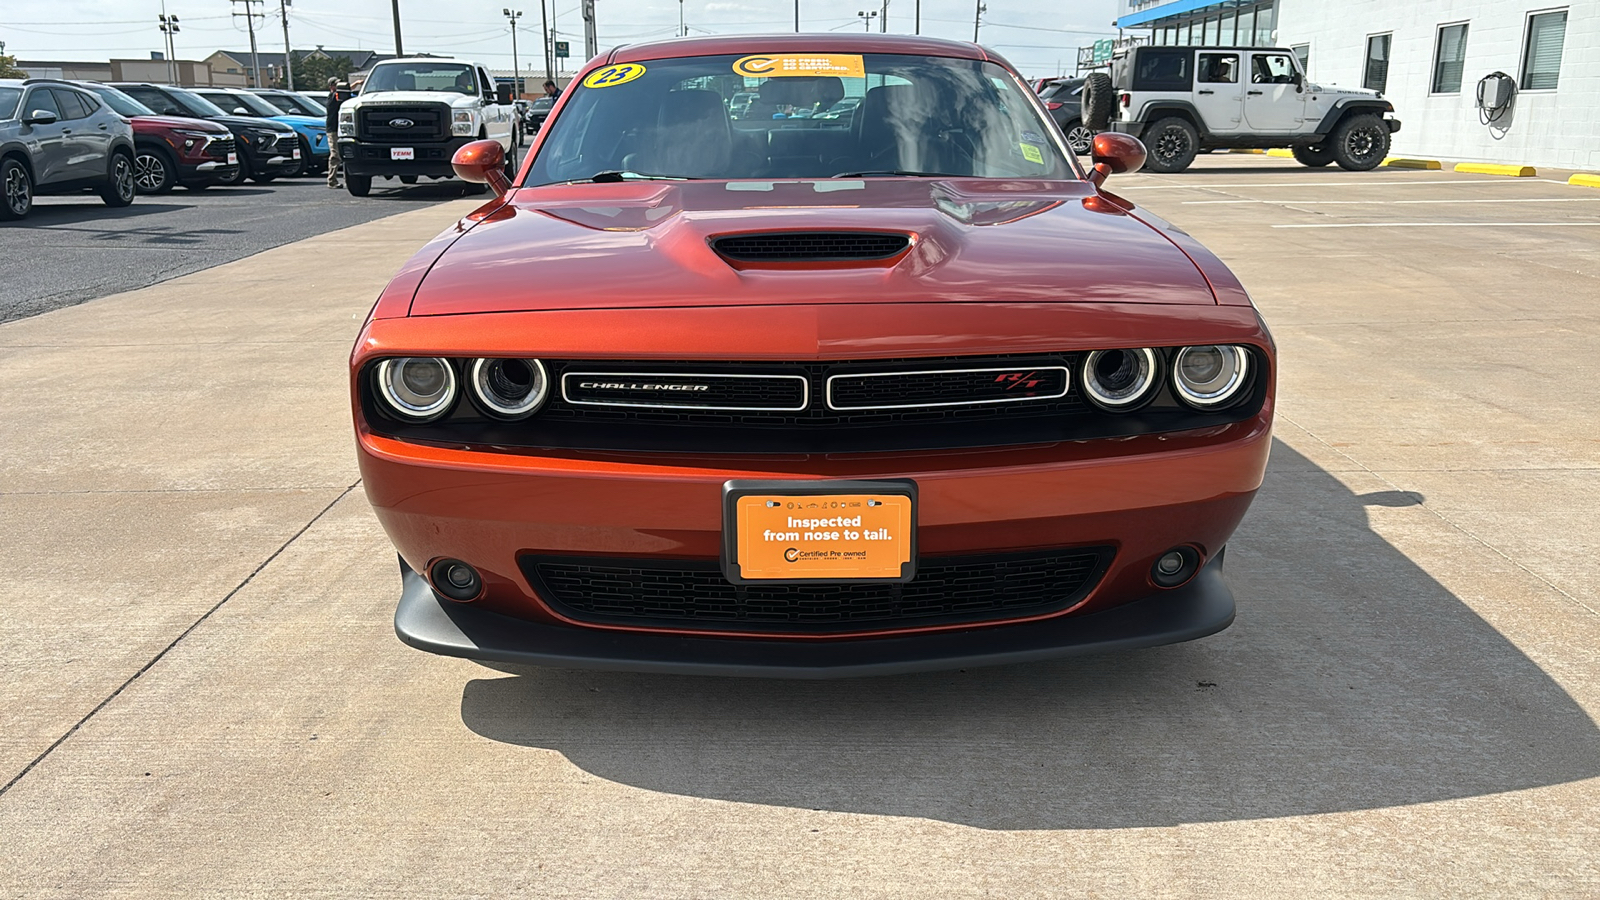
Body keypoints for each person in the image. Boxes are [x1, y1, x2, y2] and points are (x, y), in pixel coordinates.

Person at [324, 76, 344, 189]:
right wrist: (356, 83)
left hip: (341, 129)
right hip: (333, 130)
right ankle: (331, 180)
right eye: (337, 85)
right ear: (332, 86)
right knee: (335, 155)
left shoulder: (339, 97)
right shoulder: (332, 97)